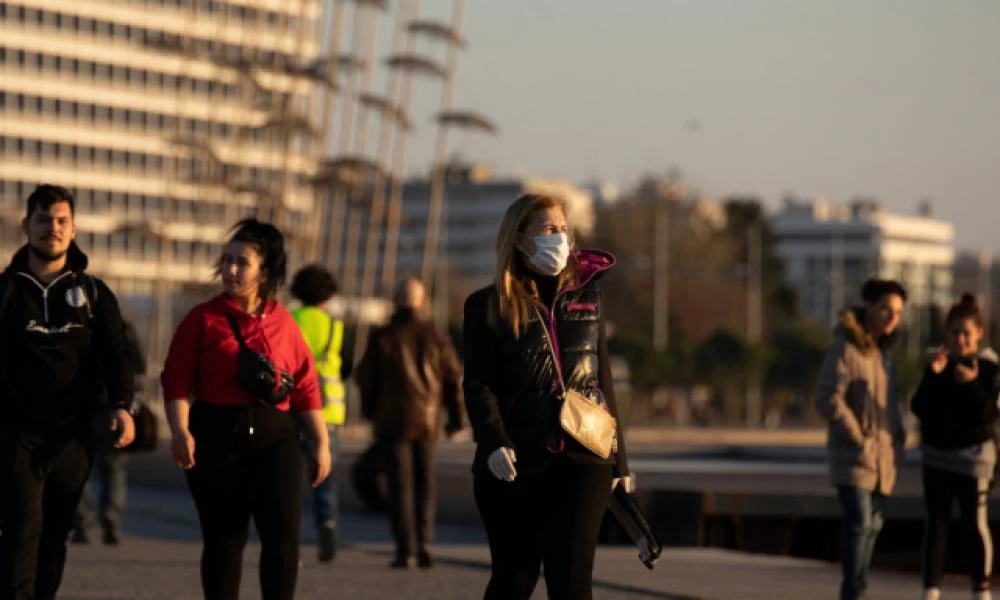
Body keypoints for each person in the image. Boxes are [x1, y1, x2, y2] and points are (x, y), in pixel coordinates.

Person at [462, 193, 633, 600]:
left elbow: (602, 383)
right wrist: (493, 441)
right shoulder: (486, 305)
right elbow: (478, 383)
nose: (560, 237)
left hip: (584, 455)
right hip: (518, 457)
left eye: (563, 229)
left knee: (572, 580)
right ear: (521, 240)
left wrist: (619, 461)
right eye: (548, 229)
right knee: (515, 577)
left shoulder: (588, 299)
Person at [160, 218, 331, 600]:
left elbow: (305, 385)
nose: (231, 270)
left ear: (264, 272)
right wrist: (180, 430)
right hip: (216, 437)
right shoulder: (202, 319)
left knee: (283, 541)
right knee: (225, 541)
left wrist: (321, 442)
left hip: (276, 438)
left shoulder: (284, 322)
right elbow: (175, 380)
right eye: (227, 261)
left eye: (242, 263)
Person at [0, 184, 136, 600]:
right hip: (15, 432)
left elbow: (117, 354)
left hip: (75, 435)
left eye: (61, 221)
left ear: (74, 229)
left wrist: (122, 406)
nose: (52, 229)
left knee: (56, 535)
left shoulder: (94, 294)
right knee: (24, 527)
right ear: (27, 226)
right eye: (43, 219)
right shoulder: (4, 291)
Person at [356, 277, 464, 569]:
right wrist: (456, 419)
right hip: (428, 421)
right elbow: (454, 379)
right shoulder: (437, 336)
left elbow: (365, 379)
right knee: (425, 484)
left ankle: (405, 550)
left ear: (394, 301)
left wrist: (371, 412)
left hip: (391, 422)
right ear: (423, 301)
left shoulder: (383, 337)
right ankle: (426, 543)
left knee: (399, 485)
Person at [816, 278, 908, 600]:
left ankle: (857, 589)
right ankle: (853, 593)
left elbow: (891, 406)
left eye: (897, 312)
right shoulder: (846, 347)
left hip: (883, 460)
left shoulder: (886, 355)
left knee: (873, 528)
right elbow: (827, 397)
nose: (891, 317)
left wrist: (898, 440)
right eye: (885, 309)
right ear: (868, 306)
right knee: (859, 524)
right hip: (853, 457)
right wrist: (859, 437)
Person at [912, 294, 998, 600]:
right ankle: (931, 588)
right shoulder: (938, 365)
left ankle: (981, 588)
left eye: (966, 333)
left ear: (978, 334)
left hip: (974, 460)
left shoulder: (989, 368)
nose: (960, 339)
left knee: (975, 523)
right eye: (954, 333)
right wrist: (932, 376)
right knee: (936, 524)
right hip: (937, 456)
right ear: (946, 334)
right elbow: (919, 406)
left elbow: (989, 414)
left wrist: (971, 384)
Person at [289, 264, 349, 563]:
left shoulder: (290, 320)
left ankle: (291, 538)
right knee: (326, 475)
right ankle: (328, 525)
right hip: (330, 412)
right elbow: (346, 365)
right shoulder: (335, 326)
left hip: (294, 408)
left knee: (292, 477)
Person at [73, 320, 146, 546]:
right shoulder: (123, 328)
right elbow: (139, 370)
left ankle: (84, 524)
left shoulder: (73, 325)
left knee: (81, 469)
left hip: (86, 409)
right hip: (112, 409)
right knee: (113, 468)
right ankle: (110, 519)